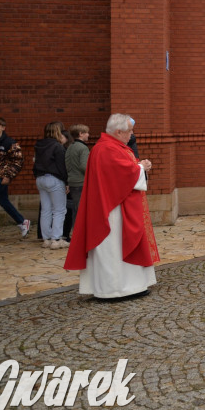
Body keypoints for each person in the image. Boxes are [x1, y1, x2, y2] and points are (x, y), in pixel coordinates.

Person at [64, 114, 159, 299]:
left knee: (116, 247)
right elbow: (121, 175)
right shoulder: (106, 149)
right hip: (111, 210)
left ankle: (129, 286)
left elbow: (121, 171)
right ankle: (116, 289)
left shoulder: (111, 147)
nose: (131, 135)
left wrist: (138, 166)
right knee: (114, 248)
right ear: (118, 131)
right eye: (129, 132)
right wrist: (141, 167)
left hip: (116, 205)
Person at [34, 121, 69, 249]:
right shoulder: (57, 146)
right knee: (59, 210)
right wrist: (66, 182)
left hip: (40, 179)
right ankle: (56, 239)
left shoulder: (38, 145)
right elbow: (62, 167)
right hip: (54, 179)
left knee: (46, 210)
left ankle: (46, 239)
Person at [64, 124, 91, 242]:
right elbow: (84, 166)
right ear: (81, 134)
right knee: (81, 210)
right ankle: (80, 235)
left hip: (72, 181)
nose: (88, 135)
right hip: (81, 181)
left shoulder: (70, 147)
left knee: (76, 209)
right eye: (86, 133)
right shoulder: (83, 148)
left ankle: (76, 233)